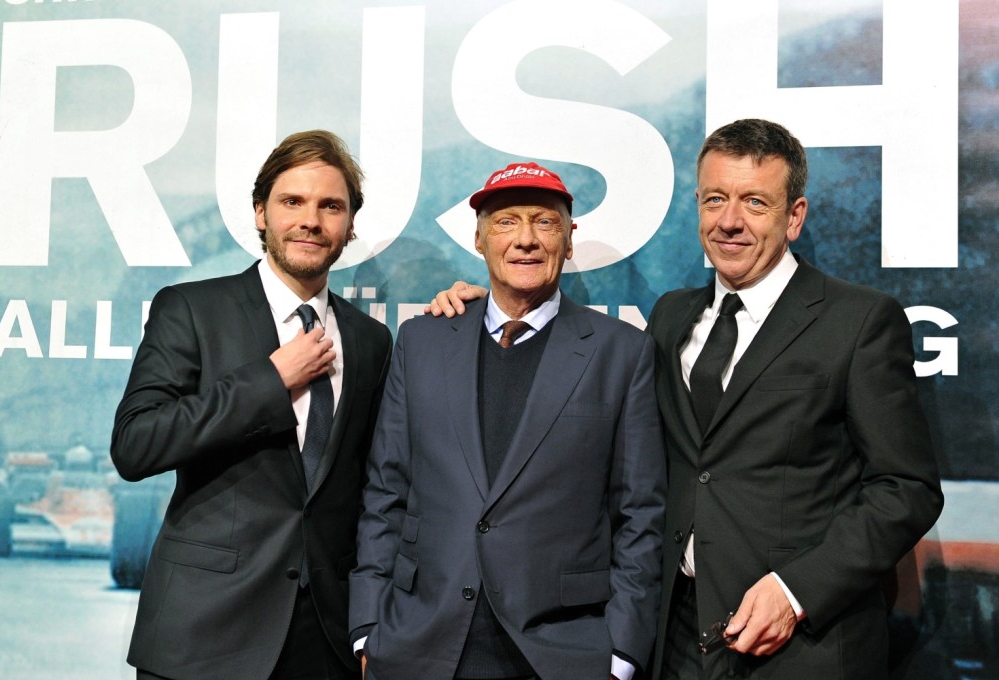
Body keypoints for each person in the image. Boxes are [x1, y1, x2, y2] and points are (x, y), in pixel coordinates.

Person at [428, 120, 944, 679]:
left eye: (755, 202)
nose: (730, 221)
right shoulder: (672, 316)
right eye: (715, 199)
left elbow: (906, 488)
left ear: (794, 217)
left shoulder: (858, 321)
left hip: (800, 647)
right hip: (674, 638)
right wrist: (490, 313)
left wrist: (796, 591)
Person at [349, 162, 667, 680]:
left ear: (569, 239)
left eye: (545, 222)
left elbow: (640, 513)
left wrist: (622, 655)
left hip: (563, 652)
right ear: (479, 239)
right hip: (419, 644)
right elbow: (387, 490)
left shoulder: (623, 353)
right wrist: (367, 628)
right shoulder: (422, 341)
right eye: (506, 222)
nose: (525, 239)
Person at [111, 130, 392, 680]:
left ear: (350, 225)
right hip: (203, 635)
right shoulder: (191, 309)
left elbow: (376, 487)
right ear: (261, 213)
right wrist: (270, 381)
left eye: (330, 206)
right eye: (292, 201)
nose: (310, 220)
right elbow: (136, 445)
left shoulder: (370, 340)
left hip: (326, 642)